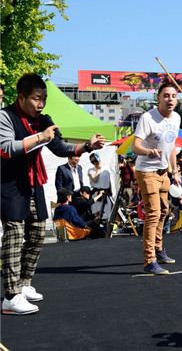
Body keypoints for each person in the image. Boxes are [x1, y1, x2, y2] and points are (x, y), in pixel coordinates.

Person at [0, 73, 104, 315]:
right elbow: (6, 149)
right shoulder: (5, 116)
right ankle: (10, 296)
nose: (41, 104)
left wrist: (87, 146)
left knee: (36, 233)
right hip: (9, 183)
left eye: (44, 99)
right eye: (37, 99)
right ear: (22, 97)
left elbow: (60, 147)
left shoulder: (44, 120)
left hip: (33, 183)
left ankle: (24, 285)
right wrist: (39, 137)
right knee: (14, 235)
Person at [132, 82, 182, 275]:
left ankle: (159, 249)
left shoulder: (176, 118)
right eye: (166, 96)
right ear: (158, 98)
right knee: (153, 213)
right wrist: (148, 151)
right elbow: (135, 146)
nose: (170, 99)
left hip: (163, 172)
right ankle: (149, 260)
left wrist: (175, 171)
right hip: (146, 171)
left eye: (173, 96)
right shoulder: (147, 118)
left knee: (164, 211)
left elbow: (172, 147)